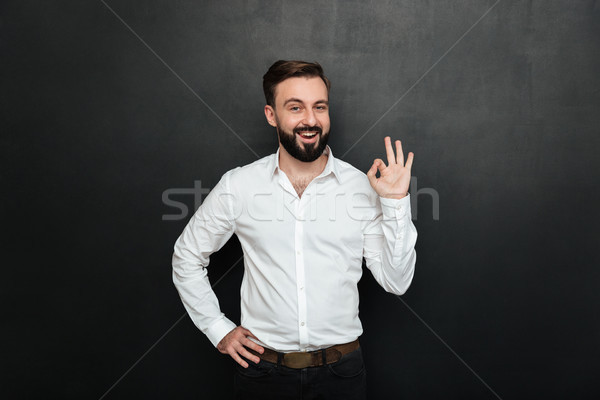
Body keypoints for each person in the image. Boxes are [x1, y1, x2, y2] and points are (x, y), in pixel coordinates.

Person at [172, 60, 417, 400]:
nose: (311, 120)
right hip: (262, 375)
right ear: (271, 115)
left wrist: (395, 202)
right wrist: (218, 329)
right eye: (295, 107)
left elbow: (397, 280)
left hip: (341, 375)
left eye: (320, 107)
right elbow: (186, 256)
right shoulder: (239, 185)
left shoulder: (362, 187)